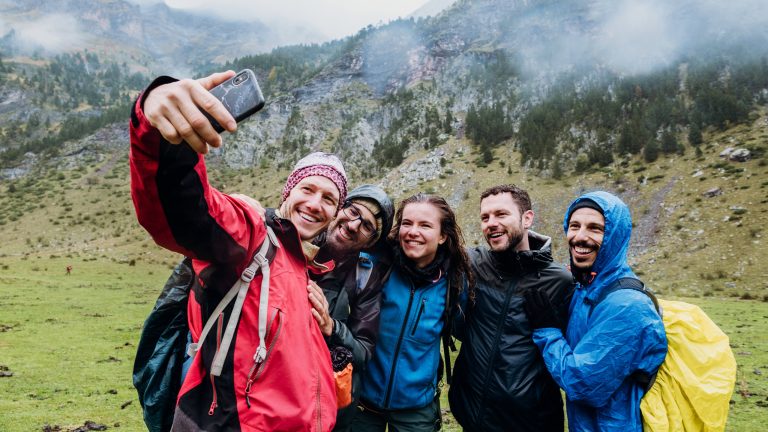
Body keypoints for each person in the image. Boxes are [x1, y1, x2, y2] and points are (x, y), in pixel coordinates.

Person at [130, 71, 346, 431]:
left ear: (335, 214)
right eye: (307, 189)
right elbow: (187, 213)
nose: (315, 204)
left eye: (329, 199)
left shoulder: (304, 268)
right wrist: (165, 134)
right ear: (287, 192)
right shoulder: (252, 234)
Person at [524, 191, 667, 431]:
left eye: (595, 229)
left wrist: (547, 331)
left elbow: (583, 384)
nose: (580, 237)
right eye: (574, 226)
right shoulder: (587, 289)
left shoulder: (627, 306)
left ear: (615, 236)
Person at [448, 184, 574, 432]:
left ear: (527, 218)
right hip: (472, 416)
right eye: (485, 217)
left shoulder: (560, 282)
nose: (491, 223)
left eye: (501, 214)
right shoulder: (472, 263)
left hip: (530, 422)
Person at [352, 193, 474, 432]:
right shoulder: (376, 264)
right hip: (361, 402)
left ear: (442, 236)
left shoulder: (454, 283)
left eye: (425, 225)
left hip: (416, 410)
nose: (412, 231)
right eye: (407, 223)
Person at [306, 184, 395, 431]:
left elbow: (364, 351)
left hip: (324, 406)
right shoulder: (295, 238)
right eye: (354, 211)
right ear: (339, 209)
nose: (354, 225)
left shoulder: (365, 279)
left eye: (367, 226)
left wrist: (331, 326)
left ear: (371, 242)